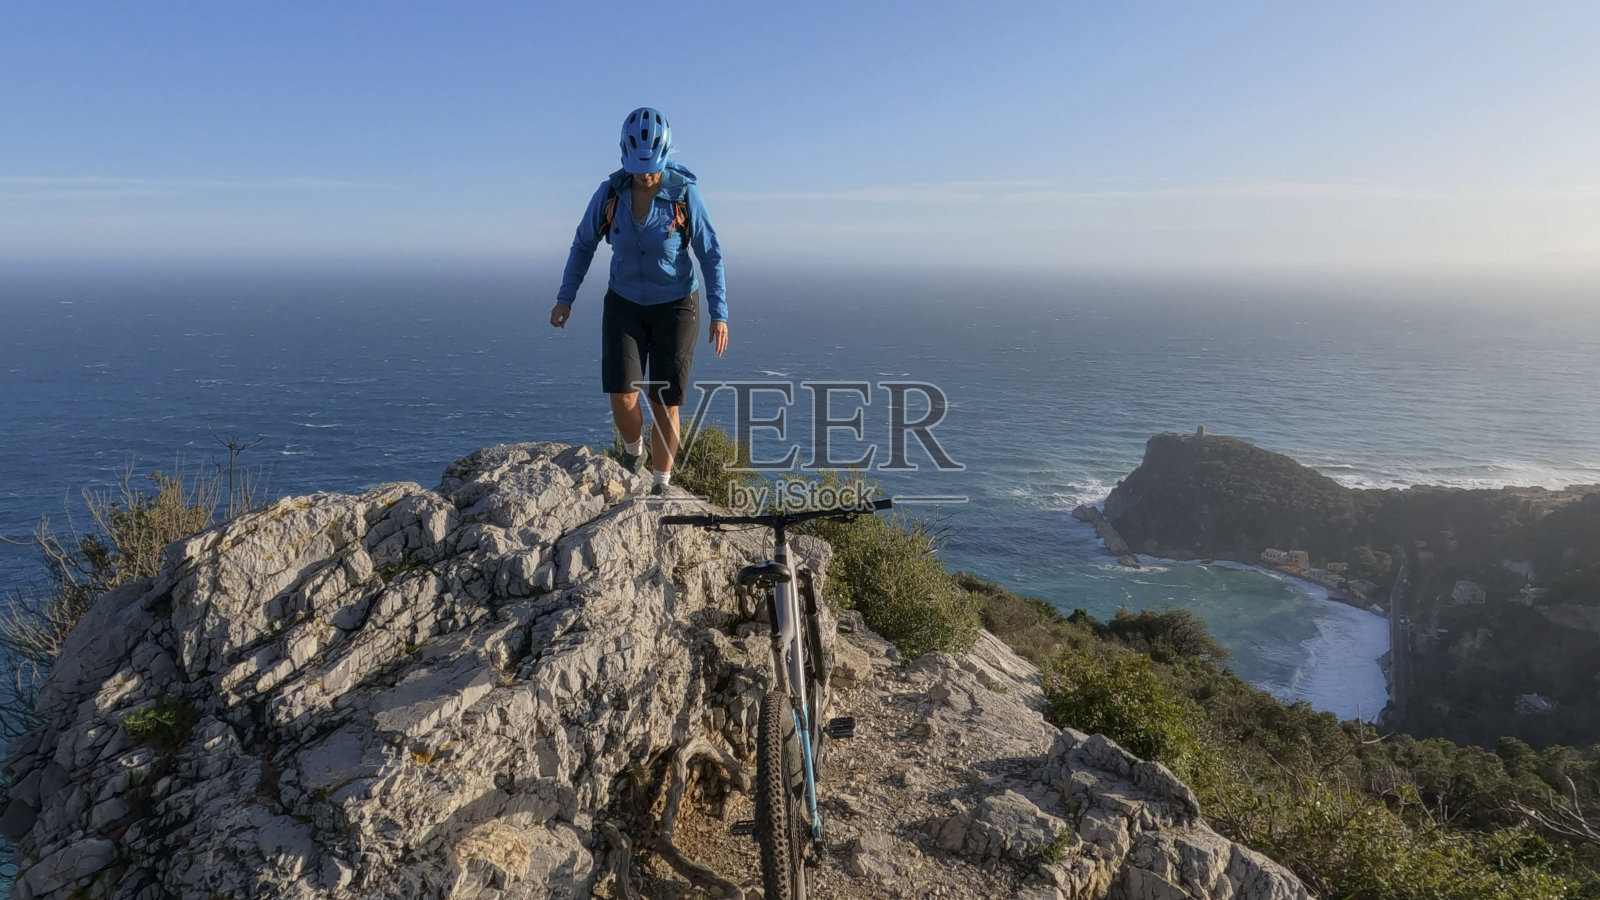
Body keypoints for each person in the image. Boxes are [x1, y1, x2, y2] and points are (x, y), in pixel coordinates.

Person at [550, 107, 727, 497]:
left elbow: (710, 253)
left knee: (664, 400)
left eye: (652, 167)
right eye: (638, 168)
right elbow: (583, 245)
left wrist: (720, 312)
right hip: (625, 302)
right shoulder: (610, 193)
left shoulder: (683, 193)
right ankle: (634, 453)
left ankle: (661, 485)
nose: (646, 176)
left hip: (677, 304)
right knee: (622, 392)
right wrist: (566, 298)